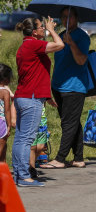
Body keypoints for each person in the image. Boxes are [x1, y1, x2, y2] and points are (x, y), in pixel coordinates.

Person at [13, 17, 63, 187]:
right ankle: (24, 176)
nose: (44, 29)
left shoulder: (26, 45)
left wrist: (47, 96)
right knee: (26, 139)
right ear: (34, 31)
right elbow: (60, 45)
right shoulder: (32, 45)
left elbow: (37, 70)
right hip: (31, 98)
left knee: (20, 139)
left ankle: (19, 174)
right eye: (42, 27)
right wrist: (52, 30)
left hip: (24, 96)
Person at [41, 7, 90, 169]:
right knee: (72, 122)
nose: (65, 20)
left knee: (69, 123)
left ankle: (60, 159)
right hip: (59, 86)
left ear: (76, 18)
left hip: (74, 87)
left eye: (69, 17)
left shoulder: (82, 36)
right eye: (63, 17)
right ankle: (78, 158)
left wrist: (72, 44)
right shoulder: (61, 36)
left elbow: (82, 60)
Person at [0, 64, 13, 163]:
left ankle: (3, 171)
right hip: (1, 122)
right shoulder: (5, 92)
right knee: (2, 146)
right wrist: (9, 125)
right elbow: (7, 110)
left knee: (4, 147)